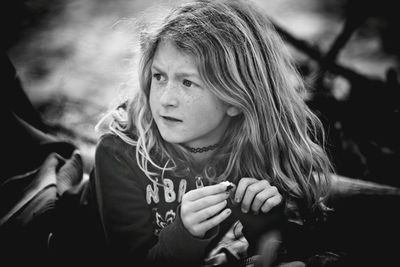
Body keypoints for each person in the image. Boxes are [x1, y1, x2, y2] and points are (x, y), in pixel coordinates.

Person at [89, 0, 333, 266]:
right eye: (159, 76)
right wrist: (185, 234)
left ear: (235, 99)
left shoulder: (256, 144)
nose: (165, 99)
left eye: (187, 82)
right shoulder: (120, 150)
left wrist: (267, 220)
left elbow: (279, 248)